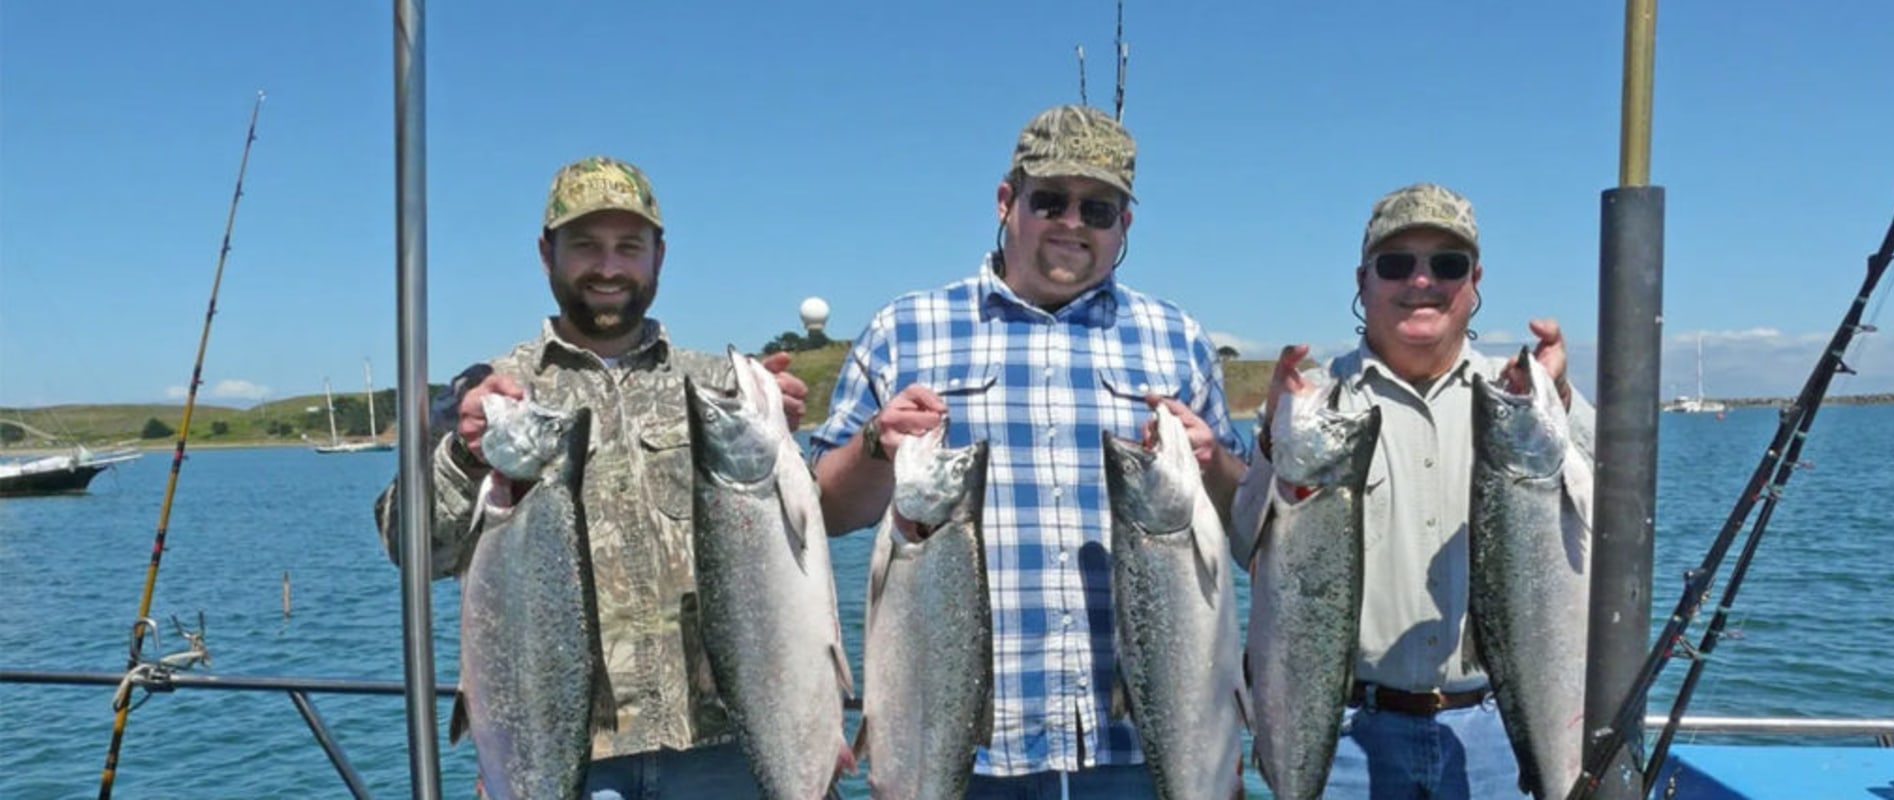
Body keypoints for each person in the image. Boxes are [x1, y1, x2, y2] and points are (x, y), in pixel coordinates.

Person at [808, 104, 1250, 798]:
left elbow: (1246, 519)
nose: (1073, 223)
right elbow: (827, 513)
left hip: (1141, 745)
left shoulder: (1177, 338)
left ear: (1124, 226)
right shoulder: (904, 329)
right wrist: (873, 445)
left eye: (1099, 209)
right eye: (1051, 200)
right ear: (1007, 202)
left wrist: (1215, 464)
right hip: (958, 747)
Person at [371, 155, 809, 799]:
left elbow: (803, 537)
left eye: (628, 246)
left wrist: (828, 439)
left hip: (728, 751)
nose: (608, 267)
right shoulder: (487, 391)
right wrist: (466, 455)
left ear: (659, 255)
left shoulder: (722, 387)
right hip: (558, 750)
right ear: (546, 253)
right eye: (585, 246)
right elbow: (410, 549)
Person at [1229, 182, 1597, 799]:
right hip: (1342, 734)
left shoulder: (1520, 398)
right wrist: (1272, 440)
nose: (1421, 281)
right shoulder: (1314, 402)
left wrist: (1559, 399)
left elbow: (1612, 520)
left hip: (1501, 733)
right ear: (1363, 279)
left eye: (1446, 265)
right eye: (1397, 263)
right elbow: (1245, 543)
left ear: (1475, 280)